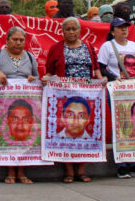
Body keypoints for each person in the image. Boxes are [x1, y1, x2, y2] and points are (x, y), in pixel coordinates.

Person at [43, 17, 102, 183]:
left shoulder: (88, 47)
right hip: (65, 96)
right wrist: (46, 78)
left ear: (79, 30)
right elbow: (49, 71)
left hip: (87, 96)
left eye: (74, 29)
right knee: (66, 130)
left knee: (86, 129)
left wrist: (101, 79)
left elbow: (96, 69)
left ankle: (82, 170)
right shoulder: (56, 49)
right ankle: (69, 171)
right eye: (67, 29)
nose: (71, 32)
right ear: (63, 32)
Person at [0, 26, 39, 184]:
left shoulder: (29, 56)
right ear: (7, 41)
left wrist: (31, 78)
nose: (18, 43)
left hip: (25, 104)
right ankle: (9, 170)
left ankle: (22, 172)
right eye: (15, 39)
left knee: (24, 138)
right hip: (3, 105)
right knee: (6, 134)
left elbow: (37, 76)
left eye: (21, 40)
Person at [97, 17, 135, 178]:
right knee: (120, 125)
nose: (124, 30)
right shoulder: (107, 47)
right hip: (117, 90)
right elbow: (101, 67)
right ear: (113, 31)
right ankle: (121, 164)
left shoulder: (133, 45)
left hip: (134, 89)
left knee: (134, 125)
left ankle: (134, 162)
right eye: (120, 28)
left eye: (125, 27)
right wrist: (113, 78)